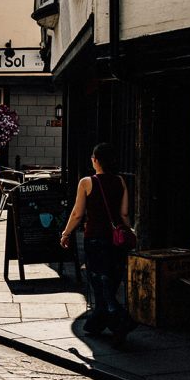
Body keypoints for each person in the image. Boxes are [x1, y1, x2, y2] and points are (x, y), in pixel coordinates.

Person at [60, 142, 137, 343]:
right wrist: (129, 232)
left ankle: (122, 321)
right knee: (110, 283)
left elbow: (78, 214)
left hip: (95, 239)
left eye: (92, 158)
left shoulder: (87, 182)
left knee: (100, 283)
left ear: (96, 160)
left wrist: (66, 233)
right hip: (116, 241)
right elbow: (124, 214)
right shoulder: (120, 181)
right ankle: (95, 325)